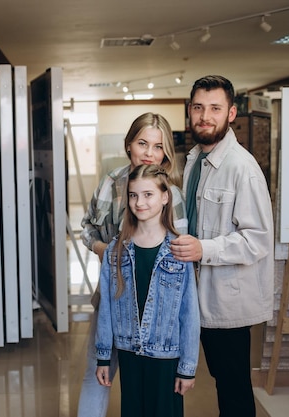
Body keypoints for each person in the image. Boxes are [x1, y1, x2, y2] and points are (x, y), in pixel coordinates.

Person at [170, 75, 274, 417]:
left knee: (233, 387)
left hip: (227, 300)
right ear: (189, 111)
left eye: (215, 108)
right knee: (214, 376)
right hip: (195, 292)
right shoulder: (194, 160)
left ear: (231, 113)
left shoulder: (243, 169)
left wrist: (205, 249)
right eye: (199, 107)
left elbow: (257, 240)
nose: (205, 116)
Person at [78, 112, 187, 417]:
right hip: (114, 294)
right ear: (129, 144)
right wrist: (105, 250)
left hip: (157, 301)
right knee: (97, 369)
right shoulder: (111, 183)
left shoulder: (172, 193)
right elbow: (87, 228)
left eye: (157, 146)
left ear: (165, 153)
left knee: (152, 386)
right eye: (142, 143)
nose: (149, 153)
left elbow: (180, 248)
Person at [94, 164, 200, 417]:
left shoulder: (179, 251)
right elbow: (106, 308)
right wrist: (103, 357)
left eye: (148, 194)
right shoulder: (115, 252)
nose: (139, 202)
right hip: (130, 353)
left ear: (165, 197)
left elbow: (190, 314)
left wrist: (187, 367)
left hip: (166, 357)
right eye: (133, 195)